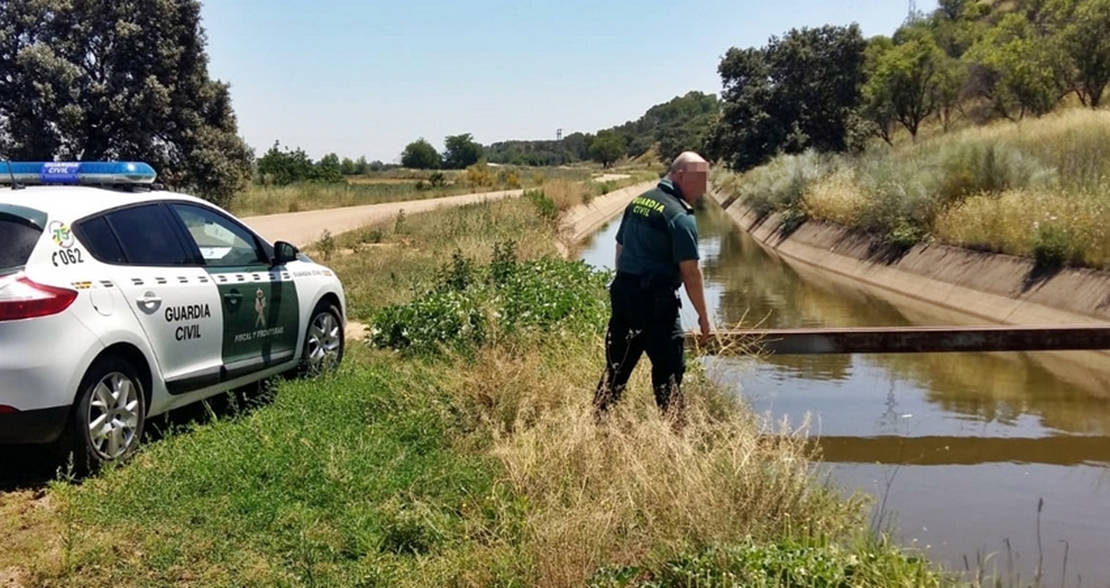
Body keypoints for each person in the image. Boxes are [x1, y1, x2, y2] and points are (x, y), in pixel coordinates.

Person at [593, 151, 712, 422]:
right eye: (701, 180)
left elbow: (620, 247)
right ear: (680, 175)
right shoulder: (680, 217)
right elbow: (691, 273)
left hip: (624, 293)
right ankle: (674, 435)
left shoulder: (640, 201)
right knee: (669, 371)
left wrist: (627, 284)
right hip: (656, 304)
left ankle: (597, 426)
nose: (705, 188)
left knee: (617, 368)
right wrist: (704, 317)